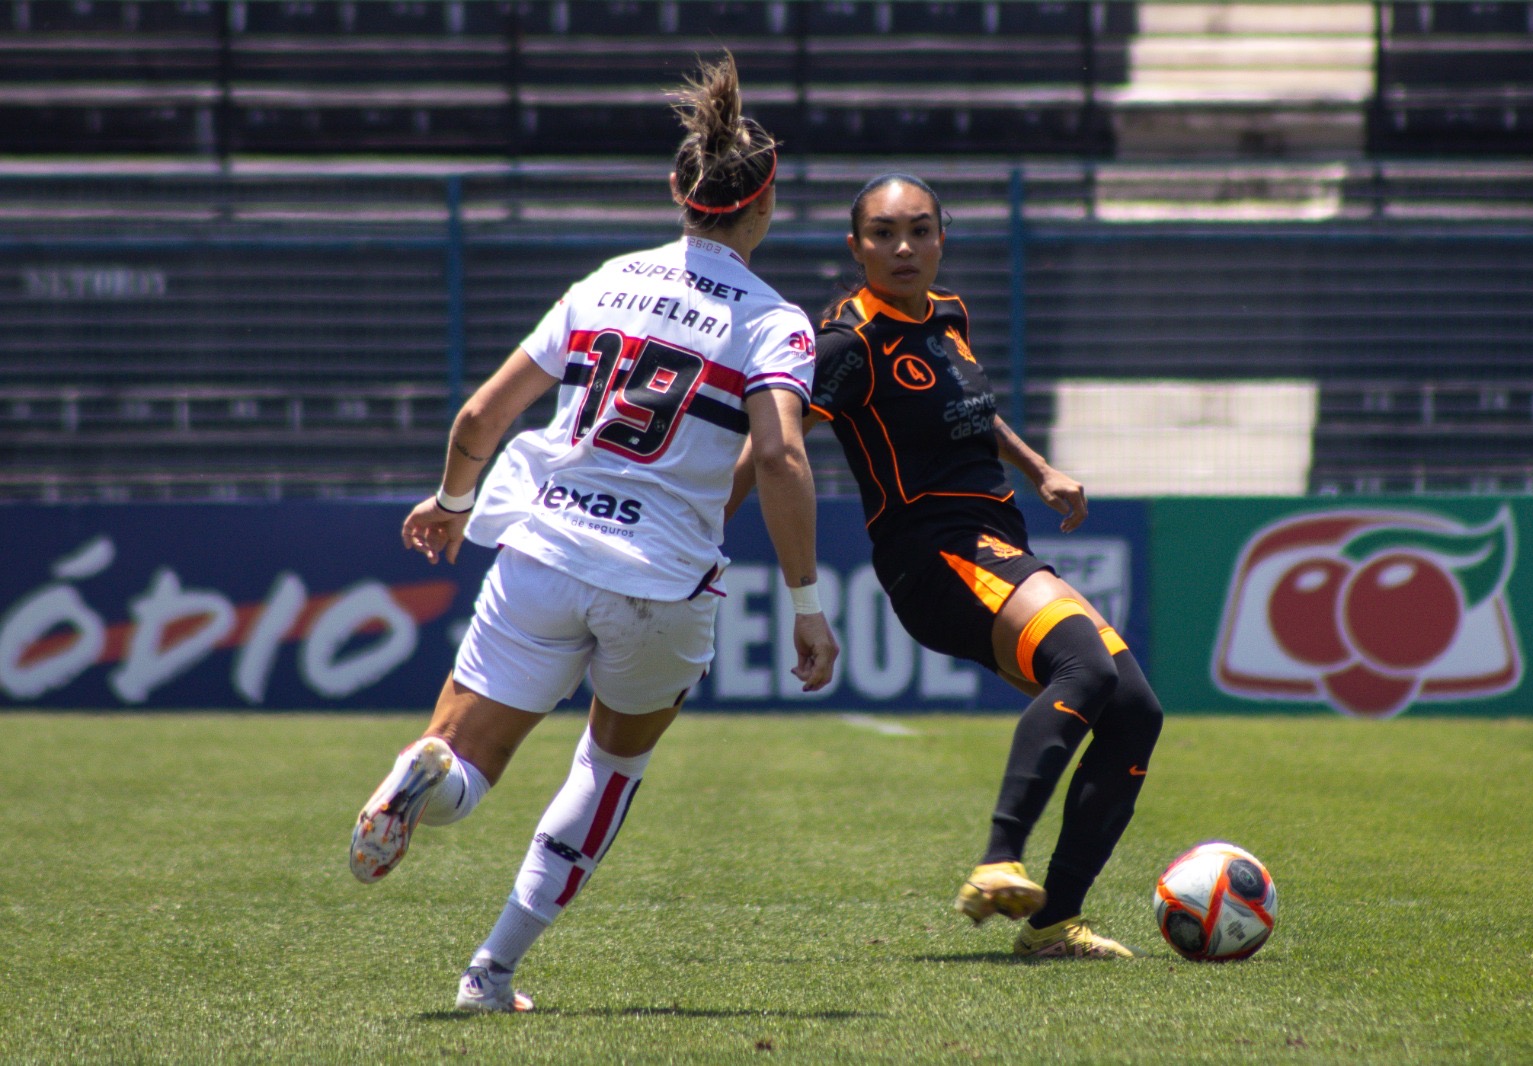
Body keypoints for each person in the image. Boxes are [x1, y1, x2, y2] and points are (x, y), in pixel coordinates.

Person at [347, 55, 839, 1012]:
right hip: (659, 584)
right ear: (764, 203)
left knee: (470, 764)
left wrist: (451, 504)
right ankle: (489, 972)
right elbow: (780, 458)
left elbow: (480, 419)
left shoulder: (605, 283)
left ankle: (424, 774)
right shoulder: (775, 323)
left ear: (677, 190)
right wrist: (806, 604)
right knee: (611, 767)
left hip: (542, 548)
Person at [793, 173, 1162, 958]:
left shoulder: (948, 315)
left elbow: (972, 410)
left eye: (920, 230)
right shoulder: (846, 342)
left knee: (1134, 710)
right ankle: (999, 858)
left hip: (996, 539)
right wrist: (714, 535)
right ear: (855, 246)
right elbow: (775, 444)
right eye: (885, 233)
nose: (904, 247)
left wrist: (1039, 471)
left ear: (941, 238)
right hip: (933, 554)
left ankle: (1055, 923)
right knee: (1086, 672)